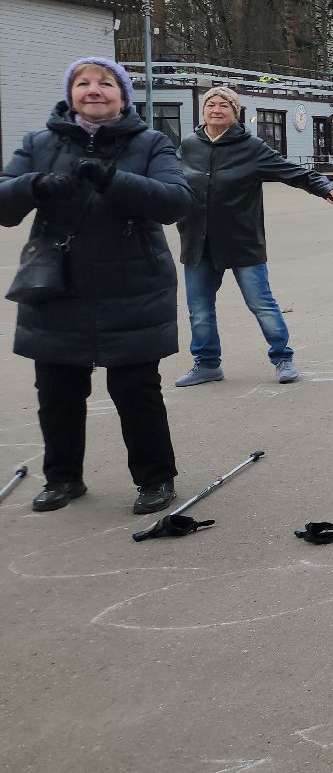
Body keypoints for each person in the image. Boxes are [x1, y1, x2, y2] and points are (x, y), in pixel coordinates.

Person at [2, 58, 192, 514]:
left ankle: (155, 479)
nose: (94, 90)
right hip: (55, 285)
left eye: (106, 83)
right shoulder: (38, 143)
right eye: (83, 83)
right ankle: (63, 479)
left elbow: (177, 201)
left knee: (136, 391)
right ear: (70, 94)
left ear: (123, 96)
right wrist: (34, 185)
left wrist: (114, 179)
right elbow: (3, 203)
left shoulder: (151, 143)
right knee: (57, 392)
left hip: (133, 285)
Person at [174, 85, 333, 387]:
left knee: (261, 304)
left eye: (223, 105)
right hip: (197, 241)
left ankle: (282, 357)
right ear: (203, 111)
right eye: (211, 104)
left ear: (235, 112)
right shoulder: (189, 145)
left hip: (242, 240)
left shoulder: (250, 147)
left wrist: (326, 187)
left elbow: (293, 172)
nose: (216, 109)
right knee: (199, 309)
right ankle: (207, 364)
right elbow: (168, 179)